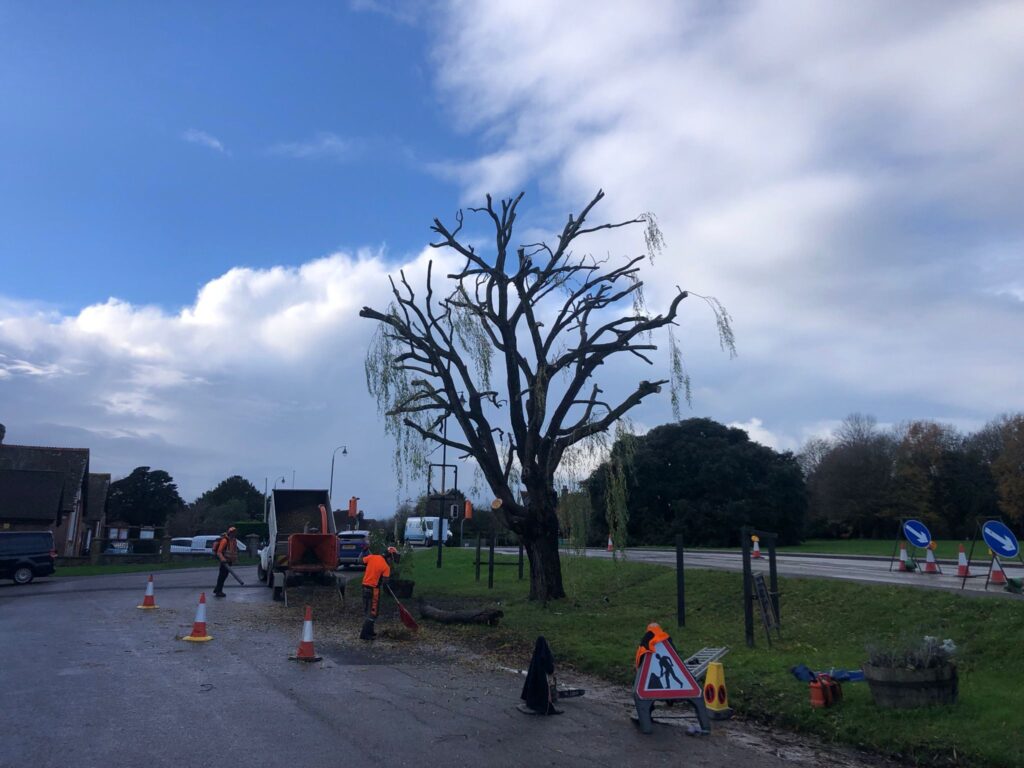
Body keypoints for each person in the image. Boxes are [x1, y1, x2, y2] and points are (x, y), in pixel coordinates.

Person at [359, 546, 397, 640]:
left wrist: (363, 552)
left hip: (364, 587)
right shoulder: (386, 567)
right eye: (392, 559)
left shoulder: (372, 557)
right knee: (373, 612)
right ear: (389, 557)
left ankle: (370, 631)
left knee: (368, 610)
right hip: (373, 589)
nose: (391, 561)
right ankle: (364, 634)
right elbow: (385, 582)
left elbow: (360, 561)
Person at [212, 527, 239, 597]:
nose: (233, 533)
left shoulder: (233, 540)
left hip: (229, 561)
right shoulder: (225, 540)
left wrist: (235, 560)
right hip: (224, 561)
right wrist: (222, 559)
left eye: (234, 532)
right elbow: (219, 552)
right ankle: (219, 591)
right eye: (232, 532)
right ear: (229, 532)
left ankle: (217, 589)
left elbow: (234, 551)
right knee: (222, 576)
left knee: (224, 576)